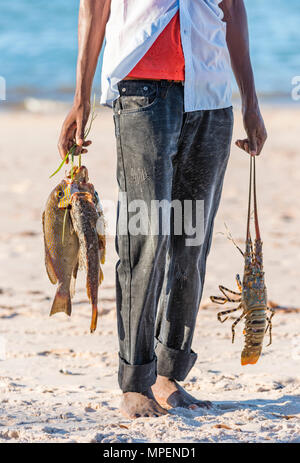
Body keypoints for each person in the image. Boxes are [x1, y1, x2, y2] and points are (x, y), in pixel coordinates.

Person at [58, 0, 267, 419]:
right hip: (141, 93)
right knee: (144, 240)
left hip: (210, 96)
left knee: (191, 243)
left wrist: (250, 101)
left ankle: (168, 375)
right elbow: (94, 8)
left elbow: (233, 8)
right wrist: (81, 97)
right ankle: (136, 381)